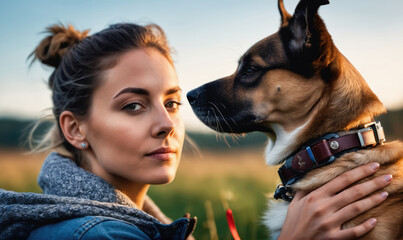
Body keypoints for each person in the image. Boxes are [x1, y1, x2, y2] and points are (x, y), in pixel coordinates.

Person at [0, 22, 392, 240]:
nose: (166, 124)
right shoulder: (98, 236)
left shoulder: (139, 225)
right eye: (133, 106)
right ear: (75, 128)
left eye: (170, 103)